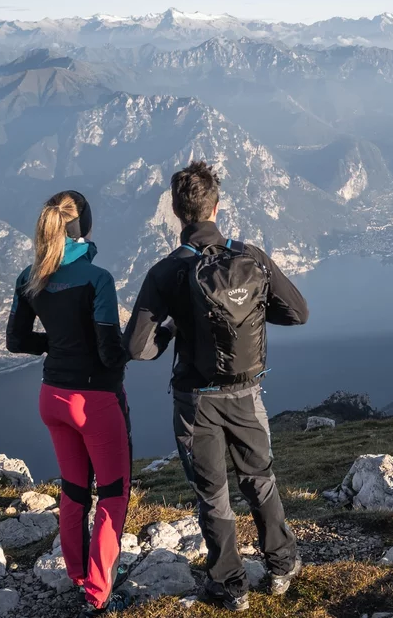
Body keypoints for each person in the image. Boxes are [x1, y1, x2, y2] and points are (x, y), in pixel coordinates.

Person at [124, 160, 308, 612]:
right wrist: (252, 311)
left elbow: (138, 349)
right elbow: (298, 312)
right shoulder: (250, 257)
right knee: (259, 480)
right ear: (216, 206)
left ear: (175, 210)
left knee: (213, 492)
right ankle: (282, 565)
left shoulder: (166, 273)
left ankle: (229, 585)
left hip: (196, 401)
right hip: (247, 393)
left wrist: (171, 327)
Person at [5, 190, 132, 616]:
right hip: (93, 400)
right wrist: (153, 339)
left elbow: (17, 340)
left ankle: (78, 576)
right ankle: (99, 594)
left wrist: (59, 346)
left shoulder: (30, 276)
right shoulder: (97, 279)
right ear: (85, 227)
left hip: (52, 398)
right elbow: (110, 352)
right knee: (113, 493)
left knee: (75, 491)